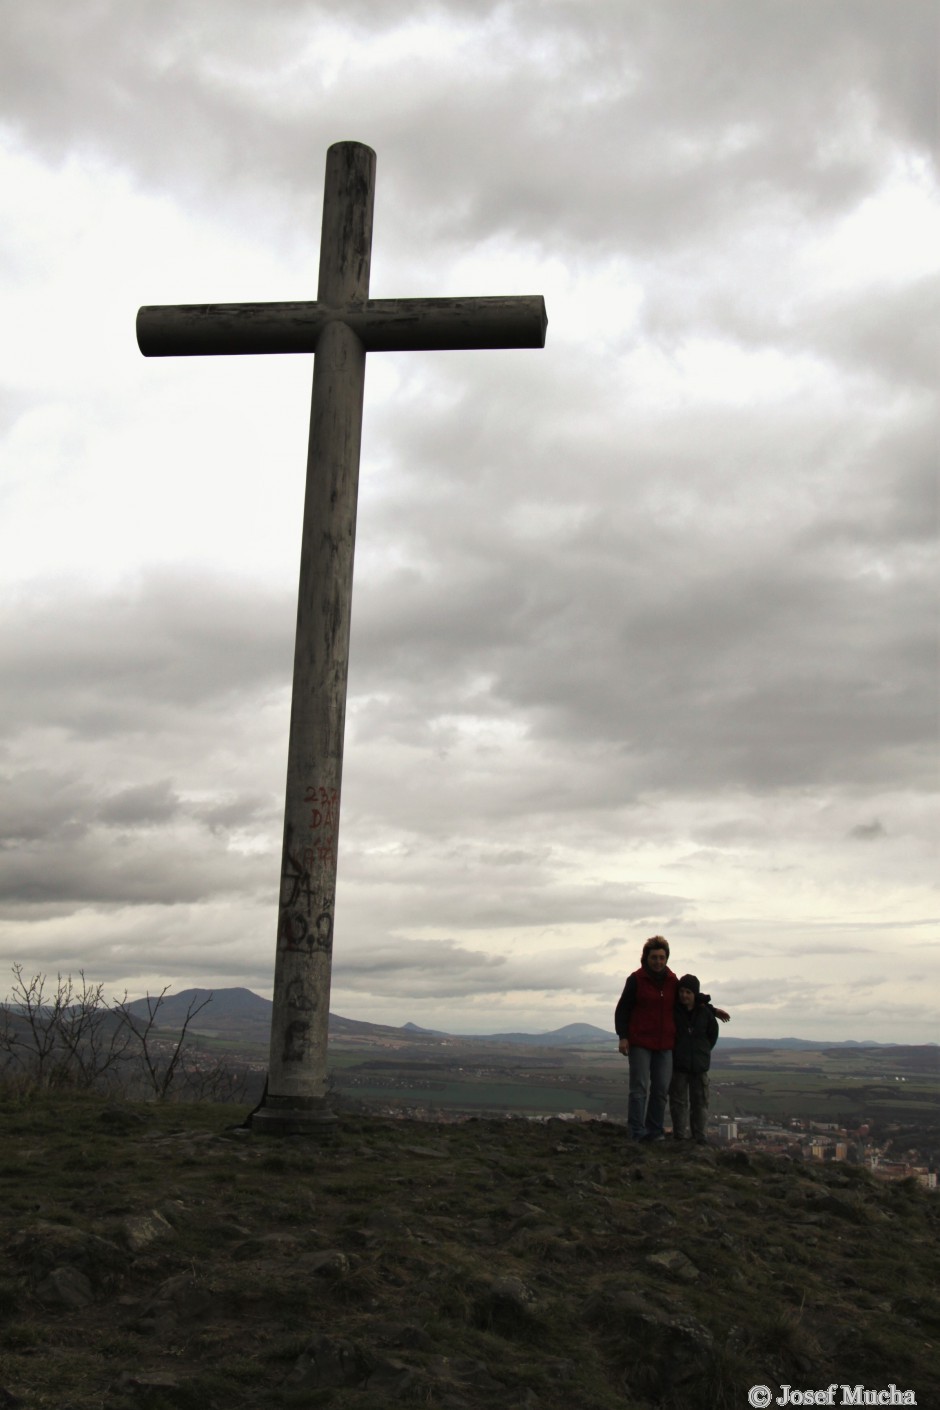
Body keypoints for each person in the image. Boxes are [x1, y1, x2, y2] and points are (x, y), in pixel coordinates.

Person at [614, 936, 677, 1141]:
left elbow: (690, 998)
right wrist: (623, 1036)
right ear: (646, 958)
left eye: (661, 957)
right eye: (654, 957)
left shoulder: (673, 981)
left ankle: (654, 1130)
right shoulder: (636, 979)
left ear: (667, 958)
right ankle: (636, 1131)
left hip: (665, 1044)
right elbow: (623, 1009)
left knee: (660, 1090)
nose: (658, 961)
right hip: (640, 1042)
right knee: (639, 1089)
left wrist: (711, 1008)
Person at [669, 974, 719, 1144]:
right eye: (682, 991)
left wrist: (702, 1052)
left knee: (700, 1103)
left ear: (694, 994)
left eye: (688, 992)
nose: (684, 995)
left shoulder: (705, 1013)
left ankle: (700, 1137)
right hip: (679, 1065)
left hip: (699, 1066)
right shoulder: (674, 1012)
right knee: (678, 1103)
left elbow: (712, 1035)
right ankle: (679, 1136)